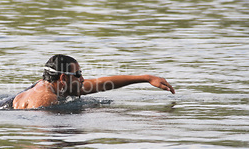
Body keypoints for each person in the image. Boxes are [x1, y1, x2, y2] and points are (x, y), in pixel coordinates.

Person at [11, 54, 175, 109]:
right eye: (78, 74)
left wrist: (146, 78)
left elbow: (101, 83)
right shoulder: (46, 100)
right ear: (63, 78)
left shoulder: (49, 85)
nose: (82, 78)